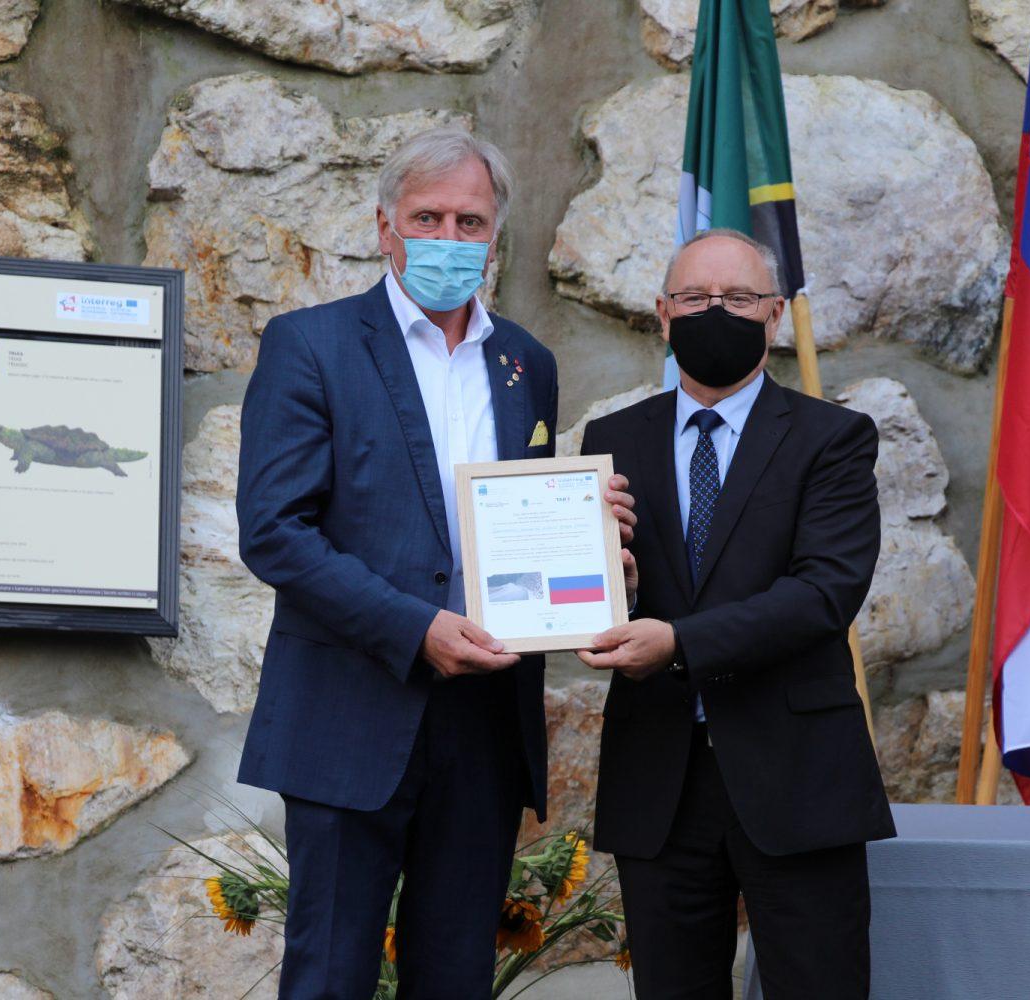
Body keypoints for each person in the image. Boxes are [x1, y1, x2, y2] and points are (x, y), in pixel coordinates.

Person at [234, 126, 635, 999]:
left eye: (469, 222)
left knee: (455, 978)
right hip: (349, 708)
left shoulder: (525, 362)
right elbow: (273, 531)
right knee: (329, 977)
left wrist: (596, 554)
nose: (449, 238)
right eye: (428, 218)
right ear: (386, 227)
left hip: (484, 718)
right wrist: (415, 628)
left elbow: (518, 525)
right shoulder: (311, 345)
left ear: (495, 238)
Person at [578, 228, 894, 999]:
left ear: (775, 315)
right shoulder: (611, 441)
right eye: (694, 297)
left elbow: (822, 595)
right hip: (660, 777)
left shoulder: (833, 439)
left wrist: (677, 642)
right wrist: (615, 588)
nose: (715, 312)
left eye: (739, 298)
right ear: (662, 314)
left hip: (796, 775)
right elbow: (609, 591)